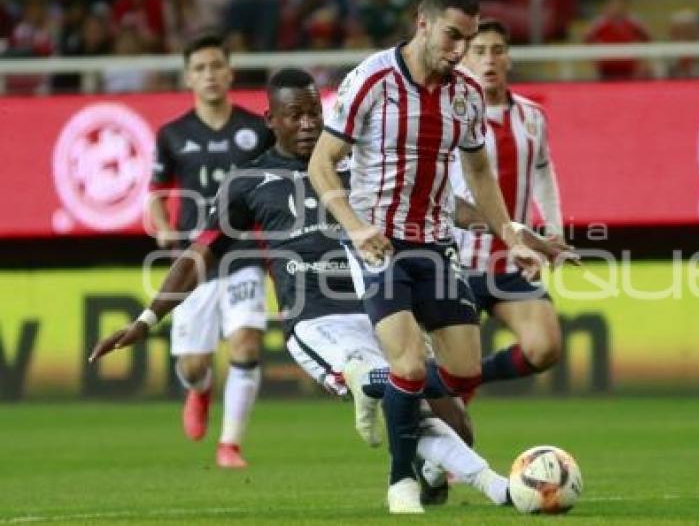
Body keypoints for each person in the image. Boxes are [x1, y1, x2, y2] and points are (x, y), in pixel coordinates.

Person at [88, 67, 515, 509]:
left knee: (458, 423)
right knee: (391, 388)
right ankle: (500, 488)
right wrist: (146, 318)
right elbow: (200, 254)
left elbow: (442, 206)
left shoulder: (357, 169)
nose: (309, 123)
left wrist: (511, 230)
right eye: (295, 115)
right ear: (270, 119)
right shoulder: (248, 181)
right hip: (317, 320)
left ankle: (427, 471)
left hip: (384, 313)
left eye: (315, 112)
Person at [307, 0, 544, 513]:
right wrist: (354, 226)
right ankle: (400, 482)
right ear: (423, 24)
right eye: (452, 36)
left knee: (463, 373)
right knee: (411, 365)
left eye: (469, 38)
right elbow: (321, 162)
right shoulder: (371, 79)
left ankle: (377, 386)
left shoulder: (464, 95)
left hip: (436, 246)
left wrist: (510, 234)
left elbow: (478, 171)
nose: (460, 50)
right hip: (378, 244)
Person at [147, 32, 274, 468]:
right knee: (194, 365)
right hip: (194, 260)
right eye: (200, 68)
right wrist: (163, 227)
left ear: (230, 71)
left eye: (216, 66)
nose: (210, 75)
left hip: (243, 254)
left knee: (246, 343)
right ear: (188, 77)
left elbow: (272, 188)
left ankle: (230, 444)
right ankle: (199, 390)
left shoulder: (256, 130)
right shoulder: (172, 135)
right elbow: (156, 194)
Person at [451, 19, 575, 395]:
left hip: (510, 262)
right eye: (479, 51)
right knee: (455, 387)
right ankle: (448, 392)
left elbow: (542, 170)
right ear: (463, 61)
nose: (489, 60)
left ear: (509, 59)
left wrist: (552, 230)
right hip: (456, 263)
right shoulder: (448, 116)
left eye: (497, 51)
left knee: (545, 347)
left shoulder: (532, 116)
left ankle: (467, 377)